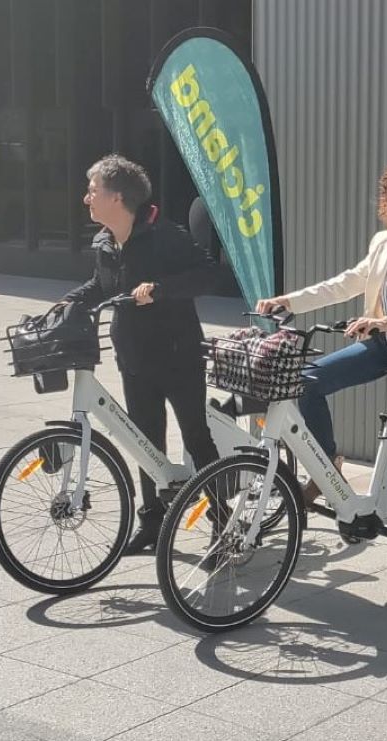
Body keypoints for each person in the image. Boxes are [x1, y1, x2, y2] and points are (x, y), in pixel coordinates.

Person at [255, 162, 387, 613]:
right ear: (386, 206)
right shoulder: (382, 243)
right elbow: (346, 283)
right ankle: (328, 462)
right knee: (306, 381)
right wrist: (288, 301)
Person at [64, 154, 238, 554]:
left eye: (93, 191)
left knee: (196, 437)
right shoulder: (107, 242)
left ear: (119, 197)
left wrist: (159, 289)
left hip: (177, 354)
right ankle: (154, 523)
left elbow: (208, 274)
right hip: (134, 357)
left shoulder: (166, 235)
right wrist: (68, 303)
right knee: (146, 442)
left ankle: (222, 523)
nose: (86, 198)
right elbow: (100, 285)